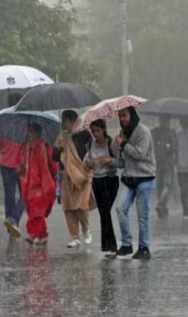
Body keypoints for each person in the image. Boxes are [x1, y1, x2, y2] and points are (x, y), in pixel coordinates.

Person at [113, 106, 156, 260]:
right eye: (119, 116)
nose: (122, 119)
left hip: (145, 177)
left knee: (142, 216)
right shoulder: (122, 132)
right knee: (120, 208)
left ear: (132, 115)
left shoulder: (143, 132)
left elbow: (140, 153)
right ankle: (126, 244)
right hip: (129, 177)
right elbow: (123, 160)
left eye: (124, 115)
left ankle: (144, 247)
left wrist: (124, 144)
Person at [53, 110, 95, 248]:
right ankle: (75, 237)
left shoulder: (85, 134)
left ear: (72, 121)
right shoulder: (62, 137)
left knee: (82, 205)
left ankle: (86, 230)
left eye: (64, 121)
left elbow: (91, 153)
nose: (63, 125)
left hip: (83, 174)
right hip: (67, 175)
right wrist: (58, 148)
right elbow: (54, 157)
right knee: (69, 206)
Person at [18, 123, 58, 245]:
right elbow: (18, 168)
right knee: (34, 212)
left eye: (32, 132)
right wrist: (21, 168)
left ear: (38, 133)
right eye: (28, 132)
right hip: (28, 186)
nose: (29, 135)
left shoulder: (45, 147)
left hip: (42, 185)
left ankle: (32, 234)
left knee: (36, 212)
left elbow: (53, 165)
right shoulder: (24, 149)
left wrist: (55, 178)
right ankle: (43, 236)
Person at [85, 119, 120, 255]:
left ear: (103, 130)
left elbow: (120, 162)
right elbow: (86, 161)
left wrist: (110, 160)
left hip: (110, 180)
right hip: (97, 181)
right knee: (103, 213)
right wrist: (88, 164)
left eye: (98, 131)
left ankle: (111, 246)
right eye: (93, 131)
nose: (95, 134)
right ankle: (108, 246)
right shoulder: (90, 146)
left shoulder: (111, 144)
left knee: (105, 211)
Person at [0, 93, 25, 238]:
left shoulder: (2, 120)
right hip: (21, 164)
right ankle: (14, 220)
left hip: (5, 163)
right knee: (25, 194)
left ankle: (10, 225)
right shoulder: (24, 120)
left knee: (9, 195)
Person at [151, 116, 177, 219]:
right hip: (168, 163)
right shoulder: (172, 133)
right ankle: (161, 204)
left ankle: (162, 208)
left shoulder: (155, 132)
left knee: (159, 186)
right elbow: (175, 148)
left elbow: (151, 146)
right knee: (168, 185)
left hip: (157, 162)